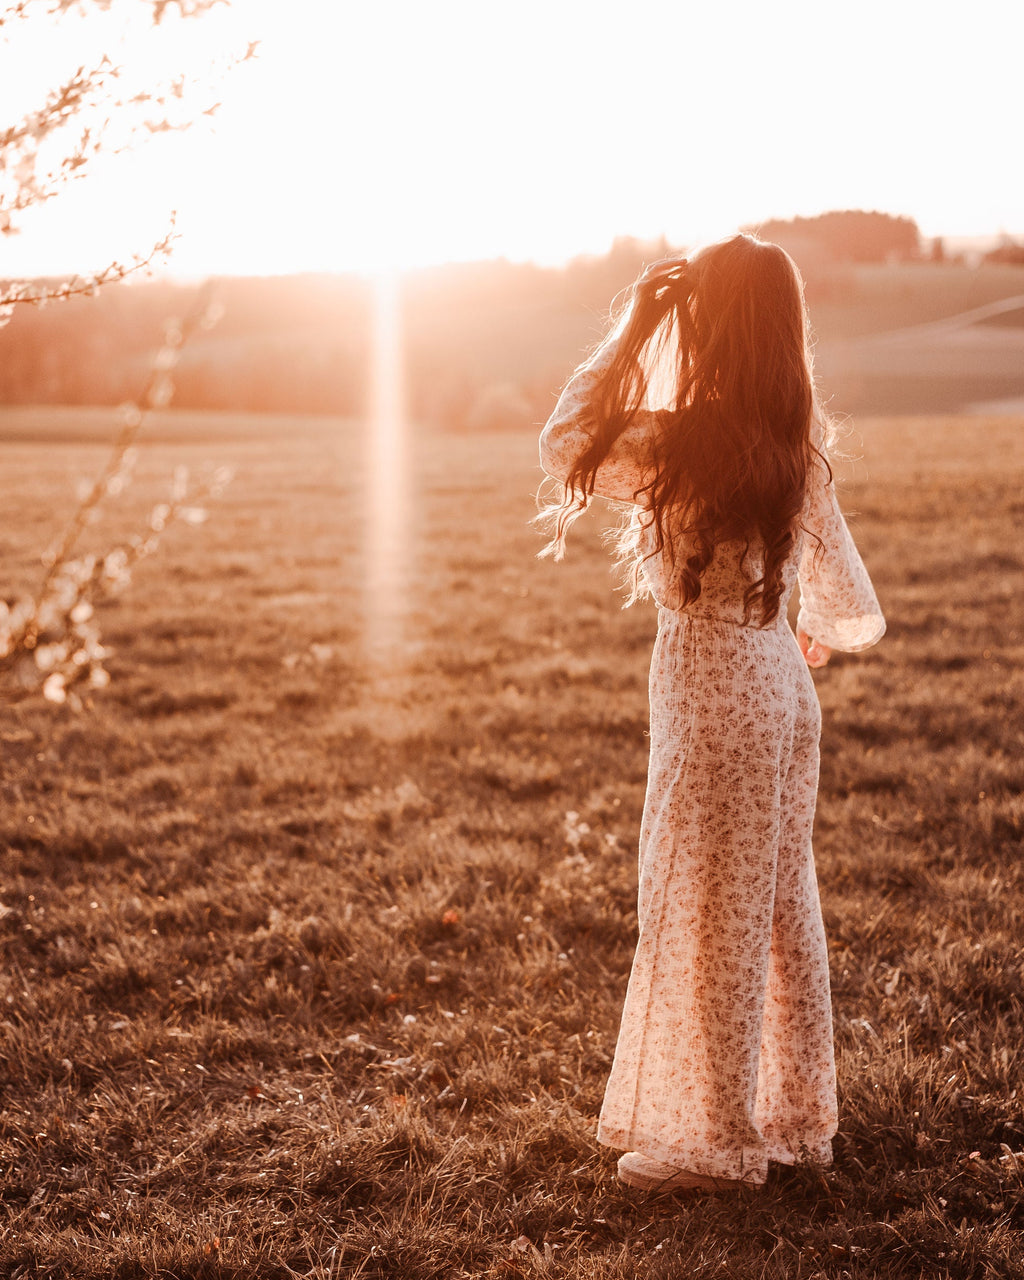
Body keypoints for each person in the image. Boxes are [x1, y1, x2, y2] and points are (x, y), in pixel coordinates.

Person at [537, 234, 885, 1193]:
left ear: (709, 326)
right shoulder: (795, 442)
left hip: (711, 695)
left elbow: (564, 441)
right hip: (779, 690)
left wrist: (634, 328)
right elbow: (846, 601)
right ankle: (789, 1124)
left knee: (708, 911)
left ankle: (716, 1145)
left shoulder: (680, 441)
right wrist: (787, 624)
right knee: (777, 907)